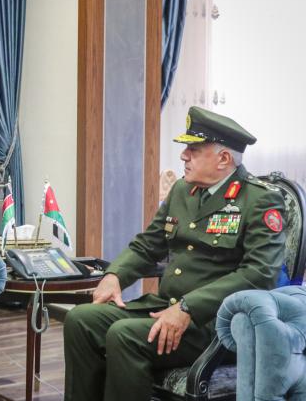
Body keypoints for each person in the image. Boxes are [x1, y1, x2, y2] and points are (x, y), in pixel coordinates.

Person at [64, 106, 287, 400]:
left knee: (124, 335)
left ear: (223, 159)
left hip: (215, 324)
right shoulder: (183, 190)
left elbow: (259, 274)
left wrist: (188, 307)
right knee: (80, 320)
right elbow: (148, 244)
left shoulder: (259, 200)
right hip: (165, 305)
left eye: (193, 150)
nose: (183, 156)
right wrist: (115, 275)